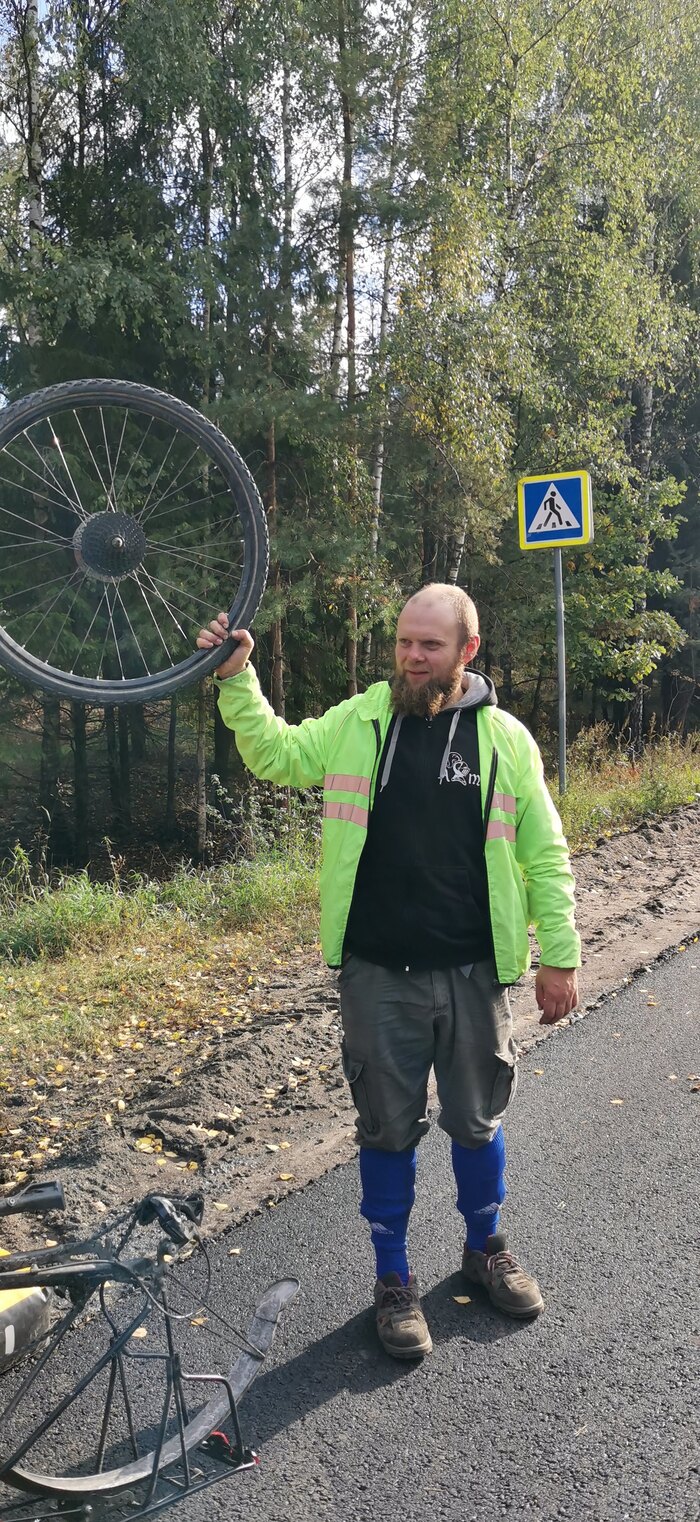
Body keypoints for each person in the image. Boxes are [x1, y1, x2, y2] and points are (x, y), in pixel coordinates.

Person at [197, 584, 580, 1360]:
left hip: (474, 973)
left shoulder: (506, 740)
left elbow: (544, 854)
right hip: (378, 974)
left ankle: (486, 1247)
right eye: (405, 641)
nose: (412, 657)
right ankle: (394, 1281)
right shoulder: (361, 721)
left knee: (476, 1121)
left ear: (466, 652)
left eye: (430, 645)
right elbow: (277, 754)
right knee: (385, 1129)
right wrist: (238, 678)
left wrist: (560, 957)